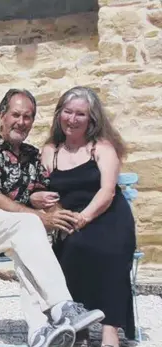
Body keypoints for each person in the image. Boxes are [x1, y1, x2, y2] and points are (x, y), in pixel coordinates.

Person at [0, 88, 105, 347]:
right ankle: (62, 307)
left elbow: (44, 193)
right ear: (2, 115)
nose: (21, 122)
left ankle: (39, 333)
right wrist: (38, 214)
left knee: (27, 246)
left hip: (17, 228)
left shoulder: (32, 155)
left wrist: (59, 215)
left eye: (28, 117)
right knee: (29, 224)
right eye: (15, 115)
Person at [33, 86, 136, 347]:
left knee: (107, 250)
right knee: (71, 247)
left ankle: (110, 331)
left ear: (91, 119)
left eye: (80, 114)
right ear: (59, 115)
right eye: (67, 112)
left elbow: (108, 191)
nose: (73, 119)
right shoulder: (49, 151)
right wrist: (57, 214)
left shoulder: (101, 147)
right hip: (70, 220)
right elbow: (44, 192)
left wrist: (83, 218)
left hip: (107, 216)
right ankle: (77, 326)